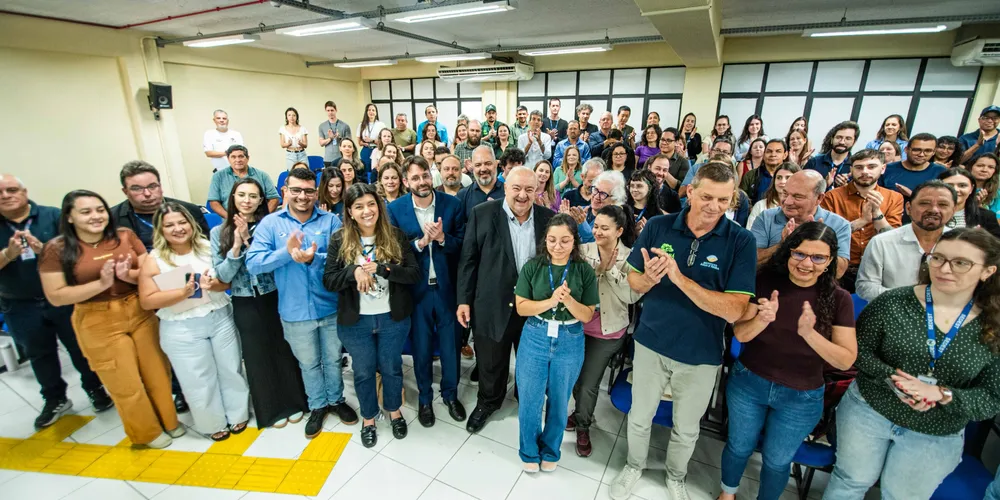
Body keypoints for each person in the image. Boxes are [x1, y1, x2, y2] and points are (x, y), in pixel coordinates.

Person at [610, 162, 756, 500]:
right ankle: (634, 465)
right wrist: (648, 280)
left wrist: (679, 278)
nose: (714, 207)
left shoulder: (741, 241)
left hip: (701, 353)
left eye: (724, 200)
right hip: (651, 341)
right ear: (690, 191)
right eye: (707, 197)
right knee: (640, 415)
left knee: (687, 428)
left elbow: (735, 309)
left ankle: (676, 477)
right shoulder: (660, 226)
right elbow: (633, 279)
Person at [823, 227, 1000, 500]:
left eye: (961, 263)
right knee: (849, 481)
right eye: (938, 258)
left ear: (988, 271)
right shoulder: (893, 302)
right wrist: (894, 379)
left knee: (903, 496)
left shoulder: (994, 325)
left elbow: (990, 398)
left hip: (936, 431)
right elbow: (859, 353)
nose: (944, 268)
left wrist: (942, 394)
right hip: (870, 411)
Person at [721, 222, 857, 500]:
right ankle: (727, 494)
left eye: (818, 257)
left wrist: (809, 334)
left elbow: (845, 360)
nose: (806, 263)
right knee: (738, 447)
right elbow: (740, 334)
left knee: (777, 460)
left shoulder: (839, 299)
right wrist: (761, 318)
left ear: (830, 261)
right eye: (800, 254)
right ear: (789, 251)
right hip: (749, 382)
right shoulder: (764, 280)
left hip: (801, 396)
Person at [39, 190, 180, 448]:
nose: (96, 216)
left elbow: (149, 272)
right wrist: (101, 284)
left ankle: (170, 422)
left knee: (158, 372)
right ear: (69, 217)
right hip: (97, 318)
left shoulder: (124, 236)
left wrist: (128, 277)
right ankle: (147, 433)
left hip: (139, 311)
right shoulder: (57, 249)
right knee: (125, 381)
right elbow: (56, 296)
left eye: (100, 210)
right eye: (86, 212)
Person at [245, 168, 359, 438]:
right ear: (285, 190)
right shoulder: (271, 224)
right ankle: (317, 405)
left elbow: (345, 258)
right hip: (295, 311)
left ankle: (336, 400)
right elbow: (253, 264)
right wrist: (286, 254)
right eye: (296, 190)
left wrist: (313, 259)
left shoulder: (331, 221)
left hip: (330, 306)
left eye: (309, 191)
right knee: (308, 363)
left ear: (315, 192)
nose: (303, 196)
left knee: (333, 359)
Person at [0, 175, 112, 428]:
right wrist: (9, 254)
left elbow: (81, 256)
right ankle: (55, 399)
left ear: (24, 191)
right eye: (1, 192)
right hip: (20, 302)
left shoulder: (54, 217)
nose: (6, 195)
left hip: (66, 297)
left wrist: (45, 252)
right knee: (39, 353)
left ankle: (96, 389)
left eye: (12, 189)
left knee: (81, 347)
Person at [138, 202, 250, 441]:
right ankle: (212, 422)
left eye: (182, 222)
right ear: (161, 230)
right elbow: (147, 300)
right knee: (197, 376)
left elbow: (226, 281)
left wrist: (214, 284)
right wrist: (183, 292)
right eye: (170, 225)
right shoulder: (154, 259)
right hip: (181, 324)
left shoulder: (208, 248)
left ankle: (237, 413)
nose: (178, 229)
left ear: (191, 223)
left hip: (218, 315)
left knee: (231, 368)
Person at [457, 165, 555, 434]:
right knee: (490, 361)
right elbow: (469, 260)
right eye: (516, 188)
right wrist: (463, 300)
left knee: (531, 361)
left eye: (529, 189)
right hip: (491, 304)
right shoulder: (482, 214)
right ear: (505, 188)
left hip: (533, 308)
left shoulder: (549, 218)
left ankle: (527, 398)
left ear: (538, 191)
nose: (522, 195)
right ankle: (488, 402)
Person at [323, 183, 418, 448]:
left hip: (392, 318)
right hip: (356, 322)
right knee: (363, 371)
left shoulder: (395, 236)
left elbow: (413, 274)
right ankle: (368, 417)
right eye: (359, 206)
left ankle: (394, 410)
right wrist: (353, 271)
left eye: (371, 204)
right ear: (350, 212)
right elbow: (329, 280)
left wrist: (385, 269)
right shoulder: (339, 239)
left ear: (379, 206)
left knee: (391, 367)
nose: (367, 211)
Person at [211, 179, 308, 430]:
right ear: (232, 198)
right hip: (244, 300)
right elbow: (222, 275)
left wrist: (249, 242)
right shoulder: (217, 232)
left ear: (261, 201)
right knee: (256, 355)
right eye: (241, 195)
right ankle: (271, 409)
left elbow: (273, 261)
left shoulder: (271, 227)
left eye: (253, 196)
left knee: (284, 350)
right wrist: (236, 245)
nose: (247, 200)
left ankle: (295, 401)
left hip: (274, 294)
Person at [386, 156, 467, 428]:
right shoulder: (395, 209)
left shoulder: (452, 205)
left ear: (431, 176)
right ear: (406, 181)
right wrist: (422, 242)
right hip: (416, 292)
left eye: (425, 175)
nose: (422, 181)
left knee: (450, 347)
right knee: (421, 349)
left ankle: (451, 394)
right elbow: (393, 251)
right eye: (415, 177)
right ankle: (424, 399)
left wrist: (443, 238)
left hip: (447, 291)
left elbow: (464, 246)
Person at [513, 213, 598, 472]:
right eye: (552, 240)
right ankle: (528, 452)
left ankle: (551, 449)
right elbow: (521, 307)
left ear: (574, 242)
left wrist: (568, 301)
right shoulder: (533, 267)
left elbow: (587, 314)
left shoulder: (584, 271)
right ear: (545, 240)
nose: (557, 246)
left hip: (569, 339)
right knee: (530, 398)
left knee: (560, 401)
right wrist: (551, 301)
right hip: (536, 335)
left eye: (564, 240)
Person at [568, 205, 642, 457]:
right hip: (577, 325)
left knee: (589, 382)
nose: (597, 231)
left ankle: (583, 425)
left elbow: (631, 296)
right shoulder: (583, 250)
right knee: (576, 376)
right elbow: (573, 286)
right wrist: (595, 271)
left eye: (604, 228)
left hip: (607, 332)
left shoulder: (631, 258)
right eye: (595, 226)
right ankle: (579, 411)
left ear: (619, 231)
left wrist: (609, 270)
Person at [855, 180, 956, 302]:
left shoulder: (962, 244)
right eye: (924, 203)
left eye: (943, 205)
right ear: (908, 208)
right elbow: (865, 287)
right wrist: (912, 299)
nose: (934, 209)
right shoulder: (882, 242)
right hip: (894, 314)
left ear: (953, 211)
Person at [821, 149, 905, 291]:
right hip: (841, 270)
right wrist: (862, 221)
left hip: (878, 270)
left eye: (871, 167)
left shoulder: (894, 198)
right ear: (851, 169)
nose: (865, 172)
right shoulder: (832, 197)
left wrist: (877, 213)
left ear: (883, 168)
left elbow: (893, 240)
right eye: (859, 167)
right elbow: (825, 236)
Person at [751, 170, 852, 278]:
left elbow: (838, 272)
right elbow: (751, 262)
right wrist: (784, 243)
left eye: (798, 196)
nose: (787, 202)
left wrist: (816, 239)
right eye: (785, 193)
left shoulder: (840, 225)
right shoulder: (766, 217)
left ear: (819, 198)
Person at [113, 161, 210, 252]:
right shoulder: (113, 218)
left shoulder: (190, 210)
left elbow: (206, 246)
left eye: (152, 186)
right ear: (125, 191)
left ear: (160, 186)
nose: (147, 193)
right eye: (137, 189)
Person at [207, 145, 279, 217]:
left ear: (248, 158)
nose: (238, 160)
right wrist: (231, 219)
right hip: (229, 221)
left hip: (258, 221)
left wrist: (262, 218)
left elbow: (274, 199)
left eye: (241, 156)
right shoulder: (218, 176)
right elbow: (214, 202)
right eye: (233, 157)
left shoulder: (262, 176)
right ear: (228, 159)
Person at [880, 133, 947, 209]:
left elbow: (943, 203)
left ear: (933, 152)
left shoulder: (940, 172)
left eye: (928, 151)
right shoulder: (887, 169)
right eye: (917, 150)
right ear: (906, 149)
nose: (921, 154)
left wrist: (913, 195)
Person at [938, 167, 1000, 239]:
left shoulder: (987, 216)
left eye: (962, 185)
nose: (955, 189)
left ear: (971, 189)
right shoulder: (927, 213)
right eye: (949, 185)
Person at [747, 163, 800, 241]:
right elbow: (749, 235)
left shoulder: (800, 206)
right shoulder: (760, 205)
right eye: (779, 177)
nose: (782, 181)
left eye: (788, 177)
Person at [804, 121, 859, 189]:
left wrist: (846, 187)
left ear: (854, 142)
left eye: (848, 138)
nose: (842, 142)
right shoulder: (814, 162)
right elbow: (803, 188)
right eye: (839, 137)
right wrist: (824, 185)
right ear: (832, 139)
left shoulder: (857, 167)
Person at [456, 146, 506, 220]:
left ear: (495, 164)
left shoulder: (508, 192)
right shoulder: (462, 196)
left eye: (488, 163)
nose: (483, 169)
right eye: (478, 165)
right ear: (472, 167)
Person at [739, 139, 789, 206]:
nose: (773, 154)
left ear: (785, 155)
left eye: (778, 151)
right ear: (764, 154)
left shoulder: (792, 176)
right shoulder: (751, 175)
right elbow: (742, 200)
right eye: (769, 151)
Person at [627, 169, 663, 234]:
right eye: (632, 186)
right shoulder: (623, 208)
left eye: (639, 186)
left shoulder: (657, 215)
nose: (634, 189)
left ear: (650, 188)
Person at [319, 101, 352, 168]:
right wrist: (330, 138)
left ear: (336, 110)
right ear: (326, 111)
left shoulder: (345, 126)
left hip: (341, 158)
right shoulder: (322, 126)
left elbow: (350, 143)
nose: (330, 112)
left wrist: (339, 138)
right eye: (328, 110)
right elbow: (321, 143)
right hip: (328, 159)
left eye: (332, 110)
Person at [356, 103, 386, 174]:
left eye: (373, 110)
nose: (371, 112)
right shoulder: (361, 125)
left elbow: (384, 141)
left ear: (376, 113)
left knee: (377, 170)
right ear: (366, 112)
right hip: (366, 150)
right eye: (369, 110)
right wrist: (364, 143)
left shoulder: (381, 125)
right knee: (366, 171)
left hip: (377, 149)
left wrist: (372, 140)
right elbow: (359, 142)